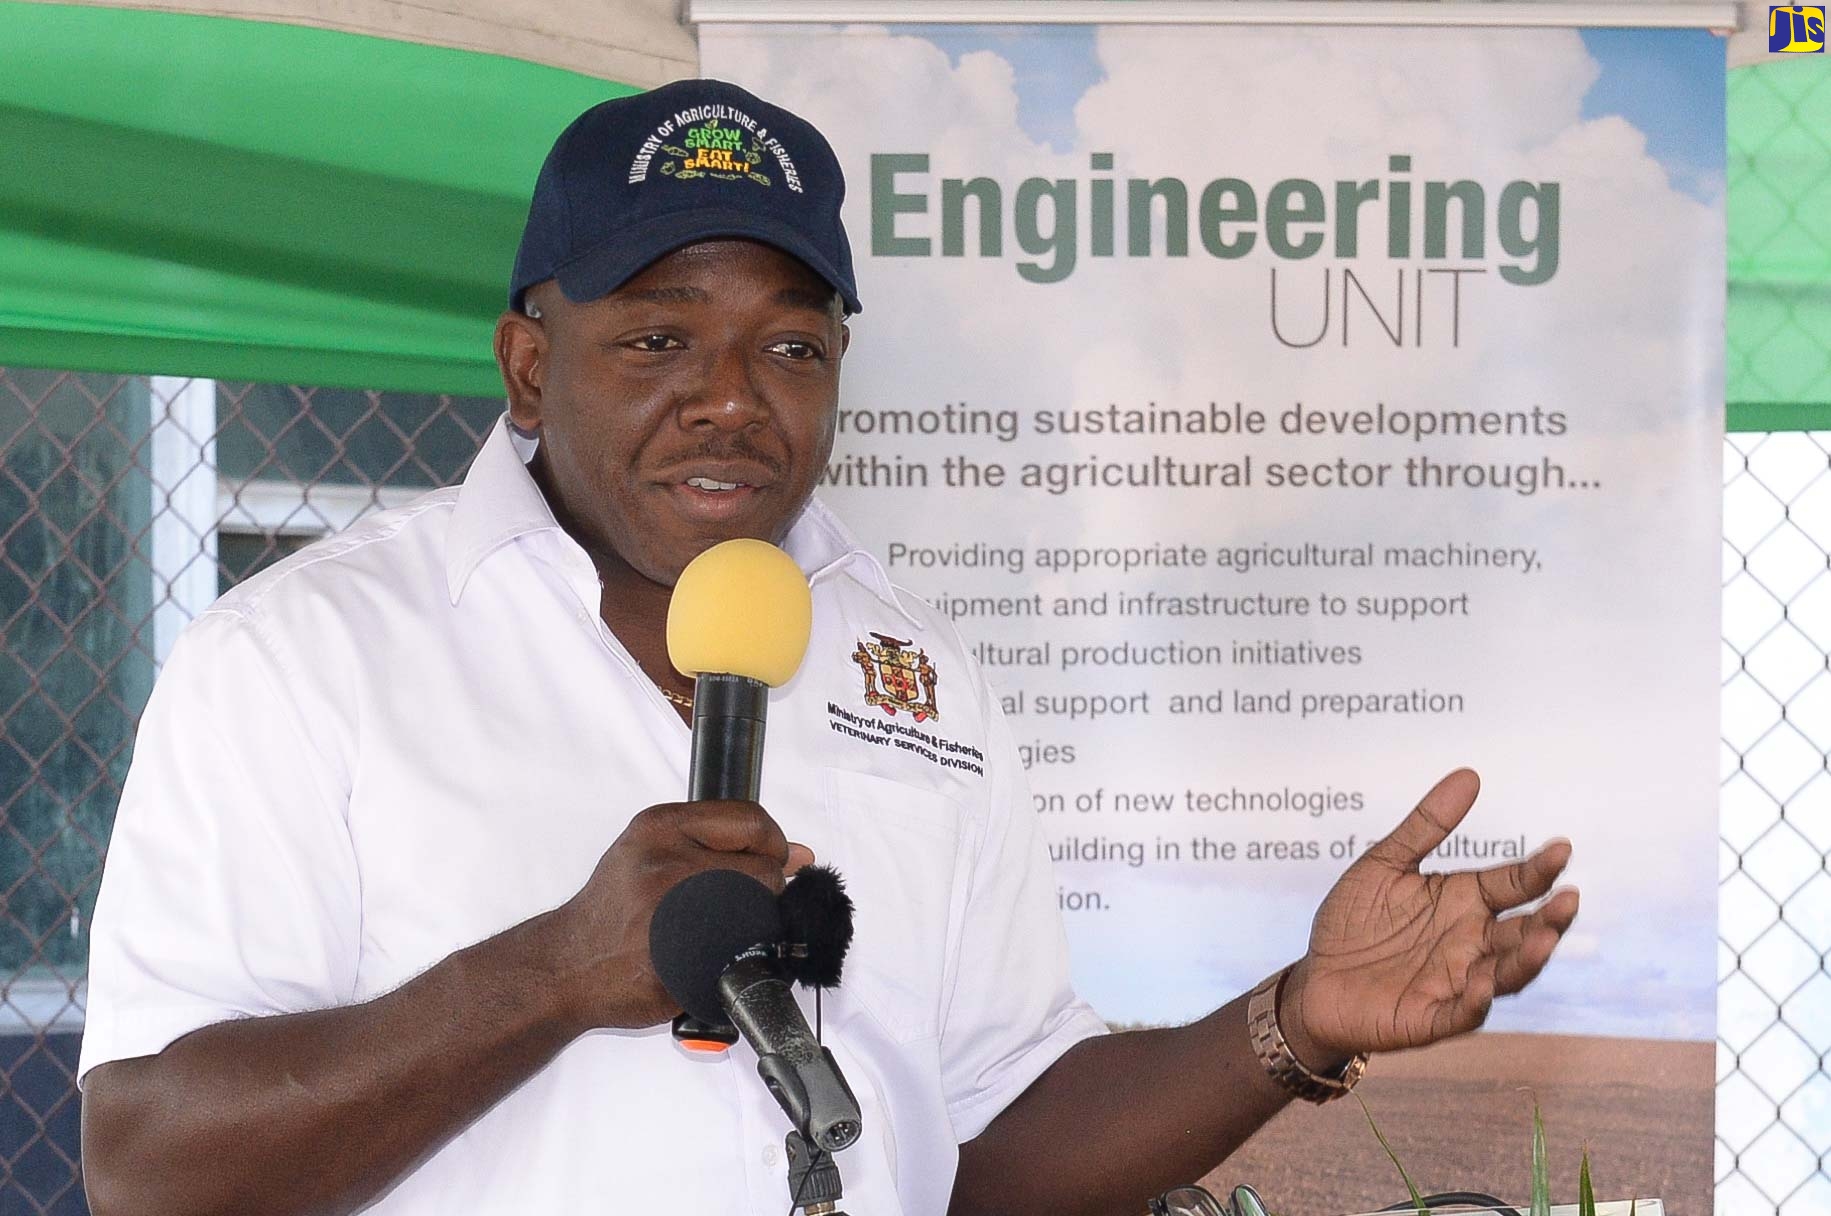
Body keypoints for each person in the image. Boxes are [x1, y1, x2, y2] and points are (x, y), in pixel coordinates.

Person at [78, 80, 1579, 1216]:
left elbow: (990, 1142)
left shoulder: (910, 674)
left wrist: (1291, 1021)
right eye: (659, 339)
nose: (734, 398)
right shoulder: (302, 660)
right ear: (530, 365)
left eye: (791, 346)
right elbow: (149, 1165)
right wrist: (551, 975)